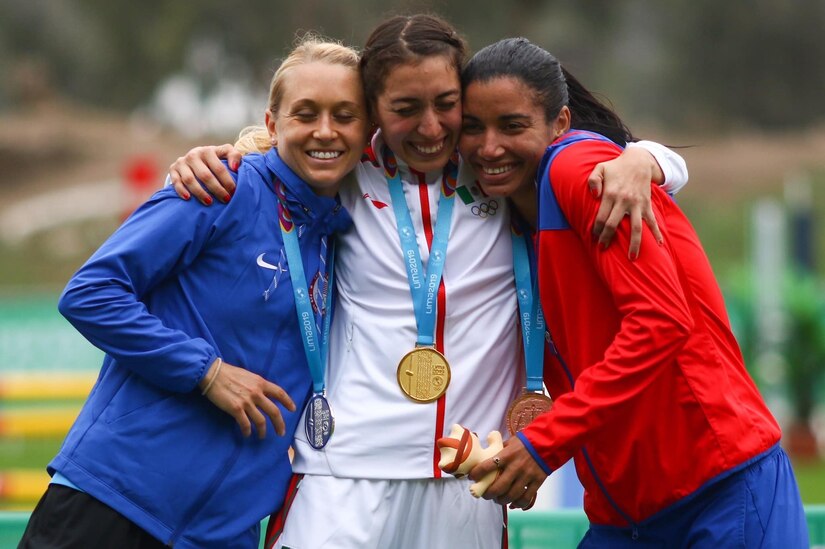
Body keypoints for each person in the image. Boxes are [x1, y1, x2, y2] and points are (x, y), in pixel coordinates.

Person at [169, 15, 689, 549]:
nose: (431, 127)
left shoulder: (496, 168)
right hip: (345, 476)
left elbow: (597, 160)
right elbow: (274, 159)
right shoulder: (343, 174)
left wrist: (646, 157)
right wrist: (209, 157)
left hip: (467, 484)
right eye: (405, 109)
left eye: (446, 103)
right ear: (374, 108)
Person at [17, 36, 369, 549]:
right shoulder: (222, 188)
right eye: (305, 113)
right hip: (114, 500)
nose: (325, 131)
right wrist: (206, 373)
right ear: (273, 124)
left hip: (221, 534)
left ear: (368, 131)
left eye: (345, 115)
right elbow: (90, 292)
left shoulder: (349, 234)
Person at [459, 37, 809, 547]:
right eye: (473, 128)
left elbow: (661, 322)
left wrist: (544, 444)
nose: (489, 147)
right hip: (627, 515)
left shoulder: (575, 171)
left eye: (512, 126)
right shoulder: (507, 217)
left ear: (559, 123)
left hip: (719, 488)